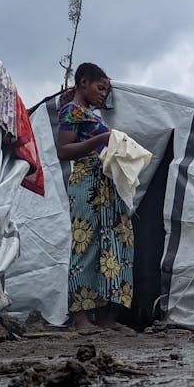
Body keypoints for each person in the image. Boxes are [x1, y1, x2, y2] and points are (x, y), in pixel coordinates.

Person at [56, 63, 134, 331]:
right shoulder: (71, 111)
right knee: (85, 244)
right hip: (87, 181)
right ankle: (80, 318)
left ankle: (106, 317)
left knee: (112, 245)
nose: (103, 94)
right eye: (100, 88)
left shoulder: (91, 113)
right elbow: (64, 150)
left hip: (107, 183)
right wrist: (99, 140)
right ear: (83, 83)